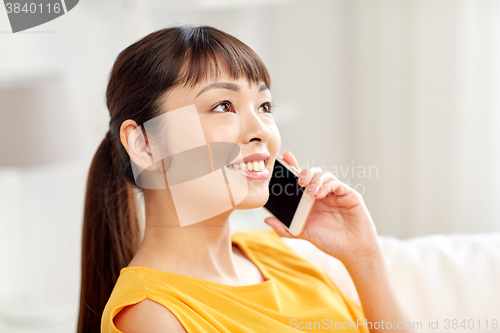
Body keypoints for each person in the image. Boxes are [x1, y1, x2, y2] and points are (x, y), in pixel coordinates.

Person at [77, 25, 415, 333]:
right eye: (223, 105)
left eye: (264, 106)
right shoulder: (153, 316)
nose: (261, 131)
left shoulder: (274, 253)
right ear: (144, 144)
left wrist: (363, 255)